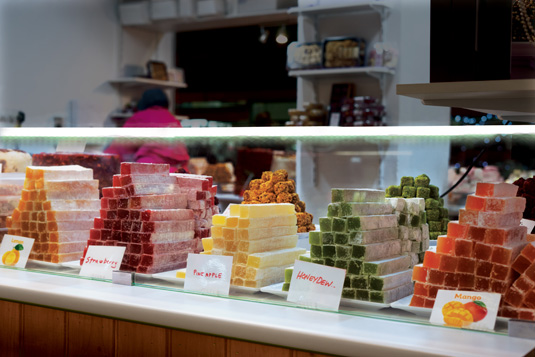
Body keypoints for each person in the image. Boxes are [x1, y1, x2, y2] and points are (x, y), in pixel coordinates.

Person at [105, 88, 190, 172]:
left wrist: (105, 161)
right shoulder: (173, 119)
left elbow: (120, 146)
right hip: (177, 169)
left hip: (150, 170)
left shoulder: (139, 117)